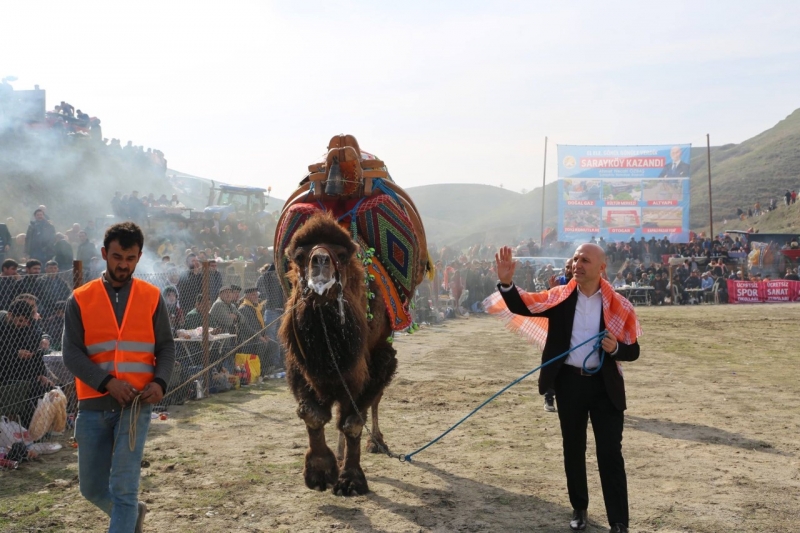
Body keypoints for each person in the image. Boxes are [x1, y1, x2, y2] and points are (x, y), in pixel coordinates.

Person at [486, 243, 641, 533]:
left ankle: (619, 521)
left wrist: (616, 348)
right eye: (575, 259)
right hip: (569, 385)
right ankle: (579, 509)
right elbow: (525, 305)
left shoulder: (619, 305)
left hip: (605, 388)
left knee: (610, 454)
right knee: (573, 448)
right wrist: (507, 283)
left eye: (585, 259)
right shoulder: (559, 298)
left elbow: (633, 351)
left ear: (601, 268)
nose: (577, 264)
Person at [62, 221, 175, 533]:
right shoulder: (80, 299)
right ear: (103, 254)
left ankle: (126, 512)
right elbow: (71, 354)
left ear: (138, 258)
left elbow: (166, 347)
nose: (123, 265)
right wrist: (107, 382)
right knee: (92, 490)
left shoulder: (152, 297)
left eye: (130, 258)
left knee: (124, 490)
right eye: (116, 257)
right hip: (92, 406)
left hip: (135, 407)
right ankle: (131, 515)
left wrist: (161, 381)